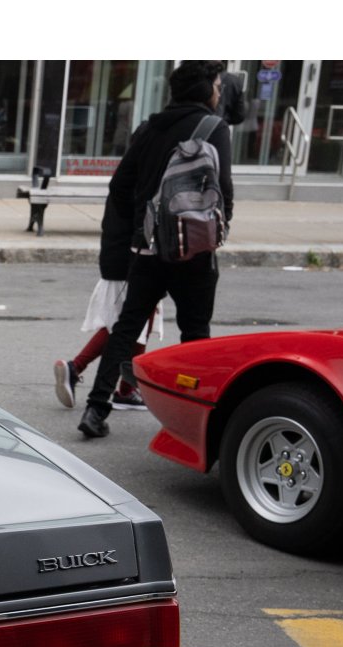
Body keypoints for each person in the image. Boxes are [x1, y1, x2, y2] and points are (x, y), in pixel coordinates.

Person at [78, 60, 233, 439]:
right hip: (193, 250)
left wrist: (137, 231)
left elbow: (121, 186)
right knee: (195, 333)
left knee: (127, 327)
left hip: (147, 248)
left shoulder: (148, 128)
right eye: (216, 84)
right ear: (204, 90)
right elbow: (224, 191)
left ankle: (96, 410)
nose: (219, 91)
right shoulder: (214, 129)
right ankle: (196, 423)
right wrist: (215, 232)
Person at [53, 281, 161, 410]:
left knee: (132, 325)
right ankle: (123, 391)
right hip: (136, 274)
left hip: (121, 271)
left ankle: (126, 390)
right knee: (135, 325)